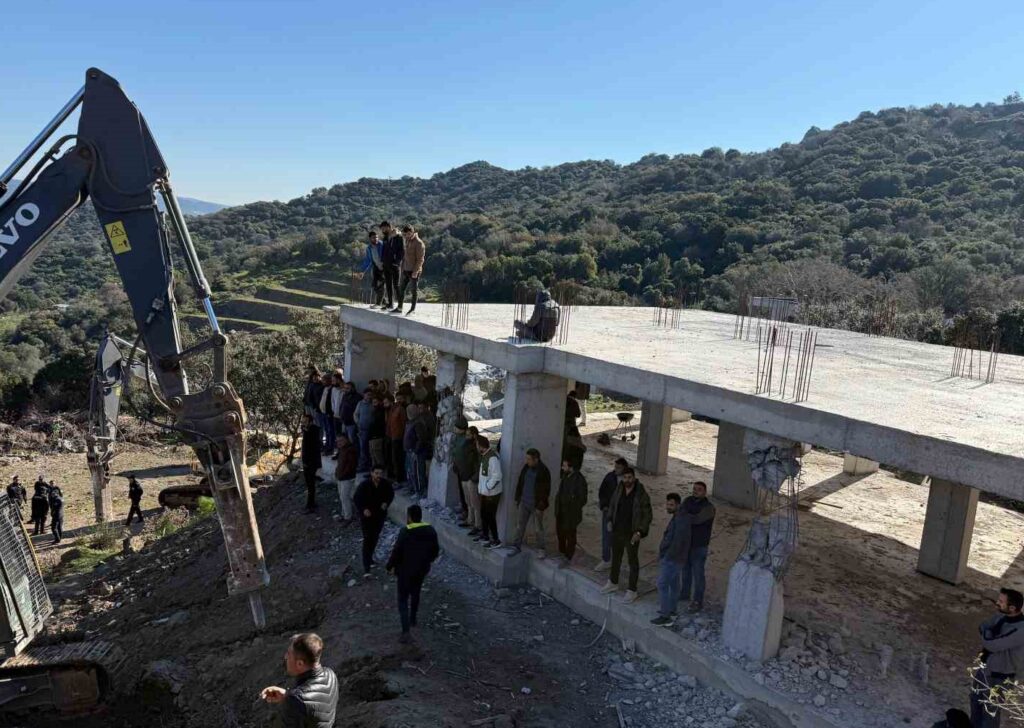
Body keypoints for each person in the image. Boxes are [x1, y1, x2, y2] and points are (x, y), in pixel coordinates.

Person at [386, 504, 440, 644]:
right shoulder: (430, 530)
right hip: (421, 570)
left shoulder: (406, 532)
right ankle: (413, 619)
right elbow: (435, 551)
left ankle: (405, 632)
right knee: (416, 593)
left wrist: (389, 566)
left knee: (402, 599)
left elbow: (397, 551)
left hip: (404, 571)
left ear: (409, 517)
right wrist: (427, 561)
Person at [259, 633, 338, 728]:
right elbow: (315, 709)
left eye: (288, 654)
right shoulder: (330, 675)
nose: (285, 657)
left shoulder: (295, 702)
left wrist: (291, 700)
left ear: (300, 663)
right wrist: (287, 695)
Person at [971, 587, 1024, 727]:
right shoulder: (1000, 616)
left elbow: (992, 645)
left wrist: (987, 636)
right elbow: (982, 626)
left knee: (990, 715)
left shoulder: (1021, 630)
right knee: (975, 705)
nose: (997, 603)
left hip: (999, 678)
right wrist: (988, 635)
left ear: (1012, 608)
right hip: (984, 669)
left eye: (1001, 601)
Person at [600, 468, 652, 603]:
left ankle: (632, 590)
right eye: (625, 478)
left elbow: (647, 515)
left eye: (630, 478)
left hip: (632, 533)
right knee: (616, 557)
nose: (627, 480)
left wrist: (640, 532)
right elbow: (612, 505)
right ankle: (613, 582)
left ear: (634, 478)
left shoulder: (640, 493)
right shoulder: (619, 489)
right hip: (617, 530)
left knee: (632, 561)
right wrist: (610, 520)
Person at [651, 493, 692, 626]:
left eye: (671, 505)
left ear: (678, 505)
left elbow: (677, 542)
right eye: (668, 504)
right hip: (676, 558)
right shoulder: (680, 516)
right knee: (674, 584)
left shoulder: (680, 519)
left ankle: (665, 616)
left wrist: (666, 557)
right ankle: (672, 611)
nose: (668, 507)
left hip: (673, 558)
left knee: (662, 584)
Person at [681, 480, 716, 613]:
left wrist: (686, 516)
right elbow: (680, 514)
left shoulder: (709, 508)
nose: (696, 491)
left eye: (699, 489)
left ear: (705, 492)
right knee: (685, 571)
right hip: (687, 543)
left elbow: (696, 520)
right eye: (695, 488)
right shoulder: (688, 501)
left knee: (698, 574)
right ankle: (684, 594)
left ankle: (697, 601)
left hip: (699, 546)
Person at [508, 449, 551, 557]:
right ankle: (516, 546)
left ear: (536, 459)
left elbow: (546, 490)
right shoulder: (526, 468)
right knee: (520, 526)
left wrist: (540, 505)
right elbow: (520, 482)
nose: (527, 461)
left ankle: (541, 549)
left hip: (536, 505)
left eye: (529, 459)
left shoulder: (543, 471)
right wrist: (518, 498)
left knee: (538, 528)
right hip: (524, 502)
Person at [352, 466, 394, 575]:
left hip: (379, 515)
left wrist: (386, 503)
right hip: (367, 517)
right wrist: (364, 509)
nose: (378, 476)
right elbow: (357, 498)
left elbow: (390, 495)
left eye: (380, 473)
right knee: (367, 539)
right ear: (372, 473)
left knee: (374, 538)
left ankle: (369, 558)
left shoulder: (385, 484)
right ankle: (366, 567)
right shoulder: (365, 485)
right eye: (376, 473)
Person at [595, 458, 628, 572]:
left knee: (619, 538)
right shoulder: (609, 477)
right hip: (608, 512)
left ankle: (616, 561)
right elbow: (602, 492)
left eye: (619, 468)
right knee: (606, 536)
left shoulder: (628, 480)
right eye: (615, 467)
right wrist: (604, 506)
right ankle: (606, 560)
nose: (616, 469)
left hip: (622, 515)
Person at [554, 459, 588, 563]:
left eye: (564, 466)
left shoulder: (579, 480)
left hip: (571, 513)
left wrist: (572, 503)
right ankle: (562, 553)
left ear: (571, 467)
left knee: (570, 535)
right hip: (561, 511)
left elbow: (582, 499)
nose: (562, 468)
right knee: (560, 533)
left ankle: (568, 556)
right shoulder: (565, 476)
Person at [476, 435, 503, 548]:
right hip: (485, 493)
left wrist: (487, 487)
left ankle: (496, 540)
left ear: (481, 446)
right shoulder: (485, 456)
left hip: (492, 494)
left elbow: (497, 476)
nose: (476, 447)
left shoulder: (492, 458)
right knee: (484, 515)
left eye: (477, 445)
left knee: (490, 516)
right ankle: (485, 536)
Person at [453, 418, 480, 529]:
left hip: (470, 477)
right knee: (468, 501)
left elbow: (476, 463)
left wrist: (474, 477)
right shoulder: (462, 442)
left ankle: (477, 524)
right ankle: (470, 520)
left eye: (469, 434)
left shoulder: (474, 446)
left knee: (475, 503)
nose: (467, 436)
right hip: (464, 475)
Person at [393, 225, 425, 315]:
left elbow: (420, 259)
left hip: (414, 271)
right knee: (401, 289)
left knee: (413, 291)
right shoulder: (407, 241)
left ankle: (412, 309)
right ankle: (399, 308)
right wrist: (403, 268)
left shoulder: (419, 243)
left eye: (409, 234)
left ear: (413, 232)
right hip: (406, 269)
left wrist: (415, 271)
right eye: (405, 234)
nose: (407, 235)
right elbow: (405, 257)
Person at [412, 400, 436, 499]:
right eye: (419, 408)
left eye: (422, 408)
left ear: (427, 407)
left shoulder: (428, 418)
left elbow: (425, 436)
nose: (420, 410)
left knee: (421, 471)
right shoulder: (419, 417)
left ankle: (422, 490)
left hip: (424, 447)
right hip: (422, 446)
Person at [379, 220, 404, 310]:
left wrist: (397, 262)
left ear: (388, 227)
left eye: (383, 228)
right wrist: (382, 261)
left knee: (396, 285)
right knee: (388, 285)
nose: (382, 230)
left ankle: (400, 306)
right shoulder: (385, 237)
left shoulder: (398, 236)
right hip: (386, 264)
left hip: (394, 265)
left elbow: (401, 251)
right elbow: (384, 250)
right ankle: (390, 304)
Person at [300, 414, 322, 513]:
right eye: (302, 421)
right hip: (307, 461)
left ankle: (310, 506)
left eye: (305, 421)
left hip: (311, 462)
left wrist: (307, 462)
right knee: (309, 484)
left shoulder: (313, 431)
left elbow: (312, 447)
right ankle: (311, 504)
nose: (303, 423)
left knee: (310, 484)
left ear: (310, 421)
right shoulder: (307, 430)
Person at [334, 434, 358, 522]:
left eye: (341, 440)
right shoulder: (342, 450)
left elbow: (351, 466)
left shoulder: (350, 450)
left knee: (345, 497)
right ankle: (344, 514)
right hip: (341, 477)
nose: (339, 443)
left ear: (346, 440)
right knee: (342, 497)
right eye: (337, 441)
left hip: (347, 478)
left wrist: (342, 474)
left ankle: (348, 517)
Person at [360, 229, 386, 308]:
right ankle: (384, 301)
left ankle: (378, 304)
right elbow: (368, 260)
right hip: (375, 267)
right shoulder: (369, 248)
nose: (376, 239)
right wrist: (362, 271)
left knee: (381, 285)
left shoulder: (382, 245)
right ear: (370, 239)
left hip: (384, 268)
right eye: (374, 237)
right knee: (374, 285)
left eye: (377, 237)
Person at [387, 392, 408, 485]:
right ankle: (395, 476)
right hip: (392, 435)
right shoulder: (394, 408)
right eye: (397, 398)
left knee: (398, 458)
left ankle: (399, 478)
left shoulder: (402, 409)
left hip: (399, 436)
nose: (399, 400)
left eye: (401, 398)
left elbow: (404, 424)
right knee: (393, 458)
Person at [354, 388, 375, 473]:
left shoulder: (373, 404)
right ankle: (363, 465)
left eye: (370, 395)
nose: (369, 396)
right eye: (368, 395)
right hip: (362, 429)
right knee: (363, 448)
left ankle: (370, 466)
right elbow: (355, 414)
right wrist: (358, 422)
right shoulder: (360, 403)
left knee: (371, 449)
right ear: (364, 395)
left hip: (372, 430)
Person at [317, 373, 337, 457]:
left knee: (330, 431)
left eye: (324, 380)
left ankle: (330, 448)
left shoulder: (332, 389)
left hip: (329, 414)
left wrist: (330, 413)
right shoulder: (324, 388)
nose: (323, 381)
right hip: (323, 413)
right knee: (327, 431)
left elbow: (331, 402)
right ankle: (327, 447)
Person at [403, 404, 419, 493]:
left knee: (413, 471)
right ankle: (410, 487)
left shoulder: (417, 423)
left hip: (413, 451)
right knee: (408, 470)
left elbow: (420, 439)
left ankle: (416, 489)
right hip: (408, 450)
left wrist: (415, 450)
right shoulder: (409, 422)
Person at [368, 394, 387, 470]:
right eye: (373, 402)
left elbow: (380, 423)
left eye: (376, 402)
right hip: (372, 435)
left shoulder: (381, 411)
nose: (374, 403)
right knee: (373, 454)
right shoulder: (374, 410)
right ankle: (374, 471)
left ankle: (380, 472)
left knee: (377, 454)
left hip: (378, 435)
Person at [339, 381, 360, 447]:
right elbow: (341, 406)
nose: (345, 390)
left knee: (352, 440)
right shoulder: (345, 396)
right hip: (344, 422)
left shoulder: (357, 397)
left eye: (348, 388)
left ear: (352, 388)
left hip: (351, 423)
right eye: (345, 388)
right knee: (344, 440)